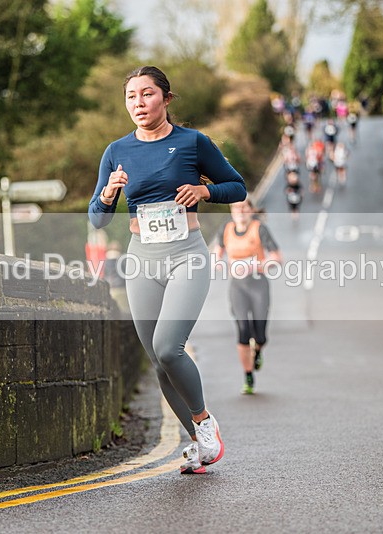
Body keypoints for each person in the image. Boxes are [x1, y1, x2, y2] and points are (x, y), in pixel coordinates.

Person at [88, 66, 246, 475]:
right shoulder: (116, 151)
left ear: (167, 98)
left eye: (147, 94)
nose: (138, 103)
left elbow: (238, 187)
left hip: (186, 255)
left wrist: (204, 190)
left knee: (167, 347)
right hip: (142, 259)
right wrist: (108, 194)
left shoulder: (193, 143)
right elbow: (98, 219)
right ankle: (199, 446)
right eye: (131, 97)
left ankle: (203, 420)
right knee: (158, 363)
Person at [212, 198, 282, 394]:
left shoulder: (260, 229)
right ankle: (248, 375)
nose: (240, 211)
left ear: (251, 210)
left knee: (260, 335)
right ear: (232, 210)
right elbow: (215, 257)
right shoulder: (226, 229)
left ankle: (258, 349)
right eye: (236, 207)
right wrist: (222, 265)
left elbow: (277, 257)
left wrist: (255, 266)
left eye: (244, 207)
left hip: (259, 284)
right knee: (243, 330)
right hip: (238, 287)